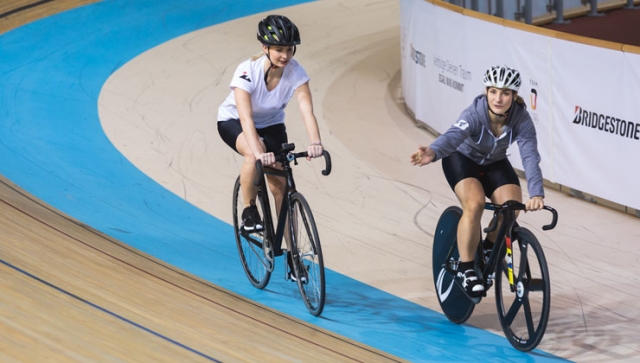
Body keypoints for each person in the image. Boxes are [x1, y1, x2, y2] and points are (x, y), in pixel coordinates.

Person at [410, 65, 544, 297]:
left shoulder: (522, 120)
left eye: (504, 93)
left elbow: (530, 156)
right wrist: (433, 152)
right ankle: (466, 268)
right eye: (493, 91)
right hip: (461, 158)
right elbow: (452, 137)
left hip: (494, 162)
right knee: (475, 204)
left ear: (514, 96)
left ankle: (490, 247)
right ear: (486, 92)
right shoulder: (474, 114)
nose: (498, 98)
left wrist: (537, 193)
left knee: (511, 208)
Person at [217, 15, 323, 236]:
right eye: (279, 50)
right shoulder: (247, 71)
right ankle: (249, 211)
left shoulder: (296, 72)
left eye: (289, 50)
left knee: (281, 188)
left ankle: (293, 258)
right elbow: (246, 118)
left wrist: (315, 142)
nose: (285, 56)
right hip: (234, 120)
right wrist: (258, 151)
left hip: (271, 124)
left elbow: (306, 110)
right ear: (265, 48)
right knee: (254, 153)